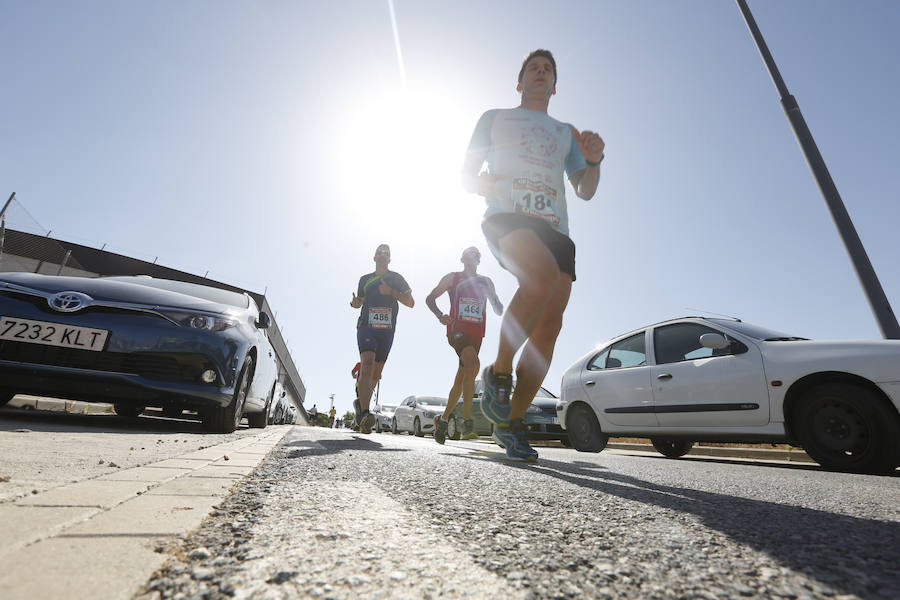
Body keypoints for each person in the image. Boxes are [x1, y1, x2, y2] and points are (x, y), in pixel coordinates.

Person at [461, 49, 605, 461]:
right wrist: (478, 182)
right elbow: (464, 173)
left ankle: (511, 423)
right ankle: (498, 372)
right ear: (520, 82)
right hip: (507, 216)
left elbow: (586, 188)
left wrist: (594, 161)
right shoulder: (494, 118)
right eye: (533, 68)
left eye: (548, 70)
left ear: (555, 86)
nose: (541, 73)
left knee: (549, 327)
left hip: (556, 229)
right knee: (538, 278)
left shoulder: (566, 132)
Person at [425, 246, 503, 444]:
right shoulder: (453, 278)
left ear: (479, 260)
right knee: (474, 365)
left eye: (477, 255)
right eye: (470, 254)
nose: (473, 257)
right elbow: (430, 298)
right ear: (462, 258)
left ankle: (442, 421)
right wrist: (440, 315)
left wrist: (496, 303)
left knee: (462, 379)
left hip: (477, 334)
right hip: (457, 331)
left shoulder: (486, 281)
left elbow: (497, 306)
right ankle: (467, 421)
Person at [350, 243, 414, 433]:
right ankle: (365, 413)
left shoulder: (396, 278)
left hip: (387, 330)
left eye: (387, 253)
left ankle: (360, 406)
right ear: (374, 257)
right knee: (367, 364)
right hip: (366, 327)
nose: (383, 255)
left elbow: (411, 302)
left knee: (376, 374)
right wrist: (354, 303)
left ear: (390, 259)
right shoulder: (365, 279)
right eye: (380, 252)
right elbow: (358, 301)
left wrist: (391, 292)